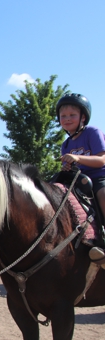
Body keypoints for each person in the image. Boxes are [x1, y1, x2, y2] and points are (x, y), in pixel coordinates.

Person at [56, 93, 105, 267]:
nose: (67, 119)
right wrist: (67, 168)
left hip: (99, 176)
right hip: (78, 181)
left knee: (103, 195)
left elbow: (101, 159)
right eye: (63, 116)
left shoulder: (92, 133)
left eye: (72, 115)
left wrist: (77, 159)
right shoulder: (66, 144)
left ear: (83, 117)